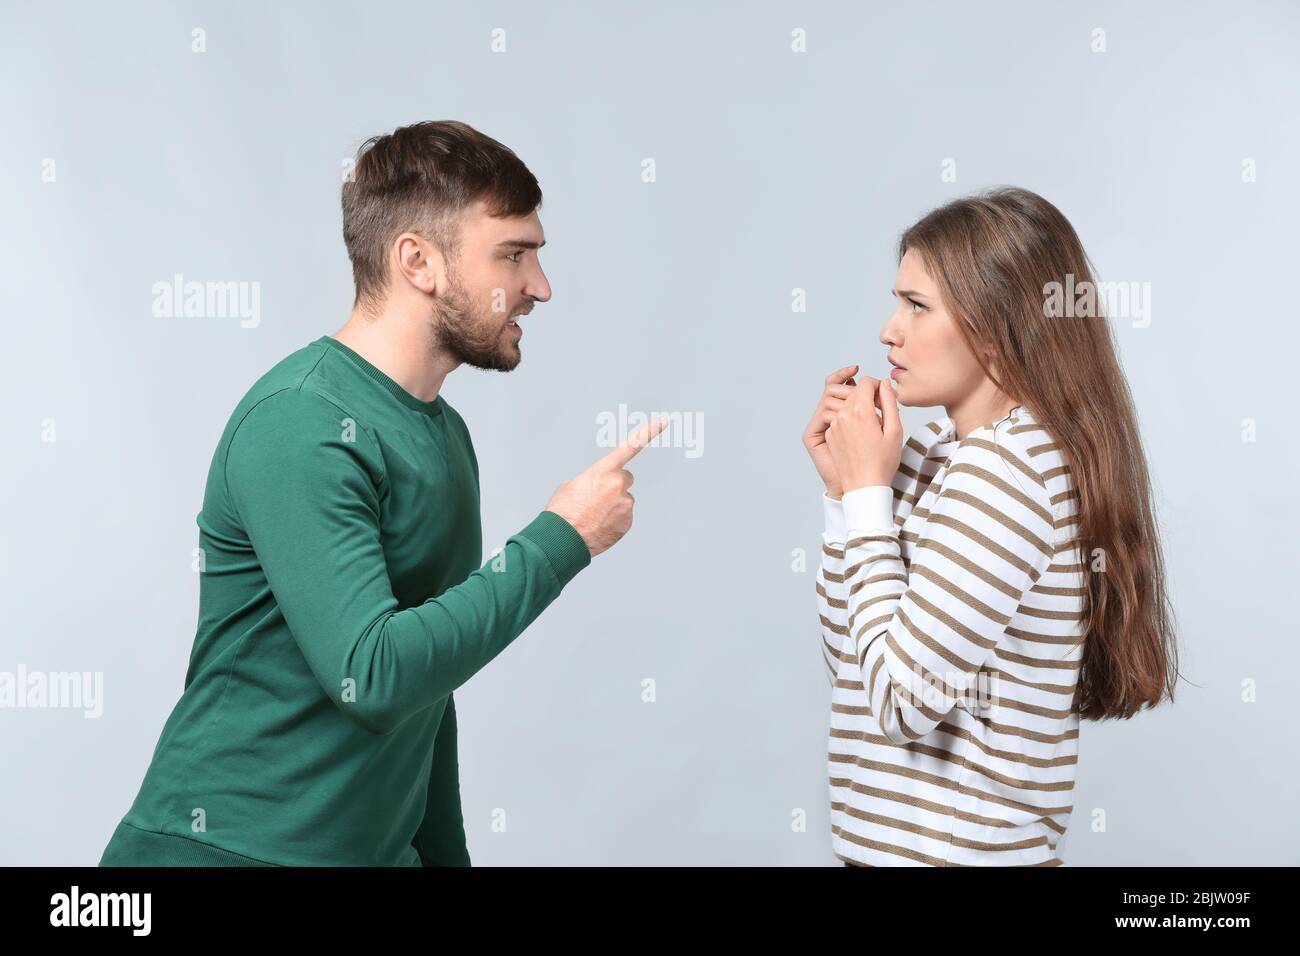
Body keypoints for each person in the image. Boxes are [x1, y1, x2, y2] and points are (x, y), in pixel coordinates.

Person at [100, 120, 664, 866]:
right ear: (418, 261)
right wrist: (563, 537)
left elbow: (428, 690)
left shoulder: (442, 433)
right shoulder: (300, 422)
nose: (539, 287)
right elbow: (371, 673)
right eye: (514, 255)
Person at [803, 187, 1178, 866]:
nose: (889, 329)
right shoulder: (936, 456)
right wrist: (844, 497)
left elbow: (901, 702)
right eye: (897, 302)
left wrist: (866, 498)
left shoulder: (1006, 472)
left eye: (917, 306)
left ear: (998, 321)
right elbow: (858, 669)